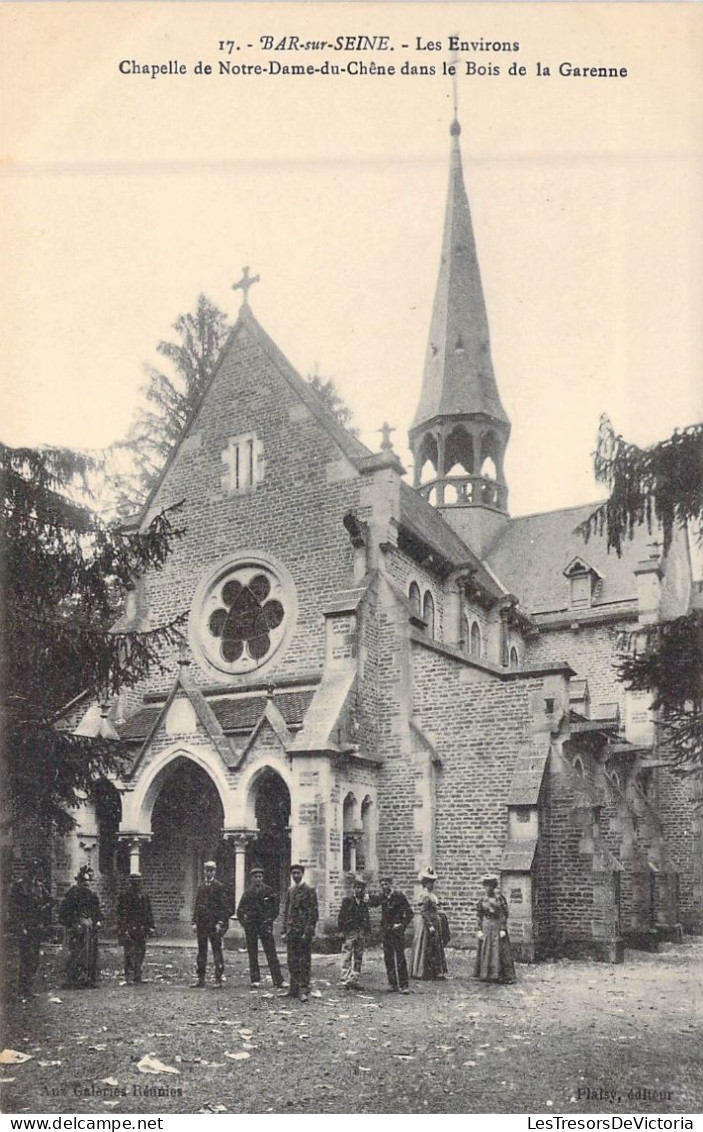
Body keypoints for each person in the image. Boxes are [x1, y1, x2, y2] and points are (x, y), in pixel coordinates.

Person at [236, 865, 286, 989]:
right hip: (252, 926)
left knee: (271, 952)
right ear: (252, 878)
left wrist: (269, 920)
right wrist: (245, 924)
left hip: (265, 925)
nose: (258, 879)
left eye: (260, 876)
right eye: (256, 877)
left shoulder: (269, 891)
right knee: (252, 953)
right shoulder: (247, 893)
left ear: (263, 877)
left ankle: (278, 980)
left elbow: (275, 908)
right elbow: (240, 911)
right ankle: (255, 979)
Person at [9, 859, 52, 998]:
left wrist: (44, 909)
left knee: (34, 959)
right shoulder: (19, 886)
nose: (33, 873)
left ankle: (29, 988)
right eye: (30, 870)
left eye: (35, 870)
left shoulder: (40, 886)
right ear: (26, 871)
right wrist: (19, 925)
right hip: (24, 925)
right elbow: (13, 907)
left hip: (36, 926)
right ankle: (22, 989)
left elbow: (50, 901)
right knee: (25, 957)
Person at [368, 873, 414, 993]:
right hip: (386, 931)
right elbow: (373, 903)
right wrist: (366, 897)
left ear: (390, 884)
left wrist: (402, 925)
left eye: (386, 884)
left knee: (400, 958)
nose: (384, 886)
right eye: (382, 884)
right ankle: (392, 984)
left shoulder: (399, 896)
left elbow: (410, 913)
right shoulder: (382, 896)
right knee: (388, 958)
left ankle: (404, 985)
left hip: (397, 931)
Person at [58, 865, 102, 988]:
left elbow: (97, 911)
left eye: (88, 883)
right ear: (78, 881)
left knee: (90, 954)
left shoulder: (92, 896)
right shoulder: (71, 895)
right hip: (75, 928)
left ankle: (88, 979)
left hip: (89, 927)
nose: (86, 885)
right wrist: (72, 923)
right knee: (75, 953)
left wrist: (97, 920)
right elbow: (63, 913)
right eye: (83, 882)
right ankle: (73, 979)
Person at [282, 864, 318, 1001]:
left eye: (298, 873)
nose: (295, 876)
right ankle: (293, 989)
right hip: (292, 931)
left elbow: (313, 913)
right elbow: (287, 912)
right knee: (291, 960)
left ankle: (304, 990)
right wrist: (284, 931)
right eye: (293, 874)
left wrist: (308, 931)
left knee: (304, 961)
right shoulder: (290, 890)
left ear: (302, 874)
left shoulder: (309, 890)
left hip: (303, 931)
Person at [191, 859, 230, 988]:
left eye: (211, 870)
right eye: (207, 870)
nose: (209, 873)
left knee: (216, 951)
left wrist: (220, 922)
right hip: (202, 924)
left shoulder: (219, 887)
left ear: (214, 871)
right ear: (204, 871)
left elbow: (224, 907)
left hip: (214, 924)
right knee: (201, 952)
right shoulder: (201, 887)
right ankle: (201, 978)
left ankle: (218, 978)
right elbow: (197, 906)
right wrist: (194, 922)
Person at [474, 873, 516, 984]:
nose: (488, 888)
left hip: (497, 926)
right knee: (487, 949)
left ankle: (500, 974)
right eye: (486, 885)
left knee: (499, 949)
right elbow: (479, 915)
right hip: (486, 926)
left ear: (494, 886)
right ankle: (486, 974)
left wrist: (503, 928)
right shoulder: (482, 900)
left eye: (491, 885)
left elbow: (504, 914)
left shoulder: (500, 899)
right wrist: (479, 929)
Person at [409, 866, 448, 981]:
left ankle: (434, 971)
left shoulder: (431, 895)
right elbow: (424, 911)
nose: (432, 884)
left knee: (435, 946)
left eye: (432, 882)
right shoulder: (424, 895)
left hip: (435, 921)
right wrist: (430, 925)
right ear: (424, 883)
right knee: (426, 945)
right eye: (429, 882)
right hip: (427, 924)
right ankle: (422, 971)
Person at [116, 873, 155, 985]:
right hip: (129, 927)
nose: (136, 884)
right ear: (130, 883)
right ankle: (129, 975)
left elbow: (148, 912)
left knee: (140, 951)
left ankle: (138, 975)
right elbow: (121, 913)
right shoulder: (125, 896)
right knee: (129, 952)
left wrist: (150, 926)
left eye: (138, 882)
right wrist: (123, 928)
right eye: (134, 882)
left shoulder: (144, 895)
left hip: (141, 928)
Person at [337, 876, 370, 989]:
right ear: (354, 888)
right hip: (350, 932)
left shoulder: (364, 903)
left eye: (361, 888)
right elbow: (341, 917)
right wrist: (342, 931)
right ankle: (345, 979)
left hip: (360, 932)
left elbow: (367, 917)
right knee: (347, 955)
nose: (359, 890)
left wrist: (367, 931)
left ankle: (354, 979)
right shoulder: (347, 901)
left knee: (358, 956)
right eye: (357, 888)